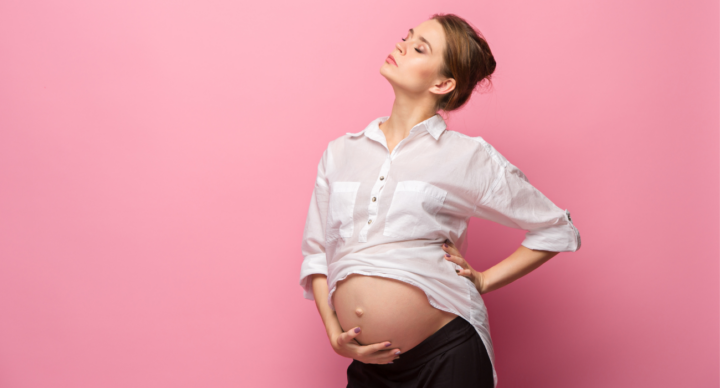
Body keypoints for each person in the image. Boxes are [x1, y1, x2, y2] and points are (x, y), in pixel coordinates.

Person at [299, 13, 582, 388]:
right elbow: (317, 252)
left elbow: (555, 229)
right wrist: (334, 333)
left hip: (447, 354)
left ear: (443, 82)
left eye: (419, 48)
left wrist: (482, 279)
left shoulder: (466, 157)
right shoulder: (340, 153)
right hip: (370, 366)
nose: (401, 45)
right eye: (407, 37)